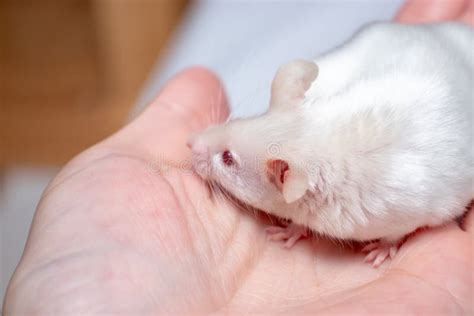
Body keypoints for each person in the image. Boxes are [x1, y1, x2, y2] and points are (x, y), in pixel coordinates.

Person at [3, 0, 473, 314]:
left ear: (287, 180)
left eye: (226, 159)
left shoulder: (383, 201)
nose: (198, 148)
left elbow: (438, 199)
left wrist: (391, 240)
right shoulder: (305, 169)